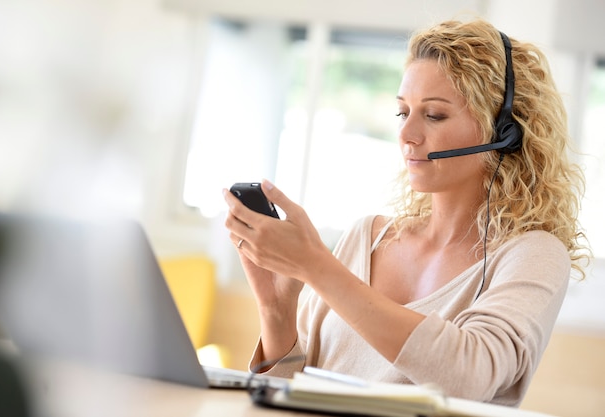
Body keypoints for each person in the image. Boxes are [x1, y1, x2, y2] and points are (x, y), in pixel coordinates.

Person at [222, 18, 590, 407]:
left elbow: (472, 375)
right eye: (403, 112)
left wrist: (316, 267)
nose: (406, 134)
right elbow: (290, 394)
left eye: (434, 115)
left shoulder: (534, 254)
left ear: (505, 131)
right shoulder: (367, 237)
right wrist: (276, 309)